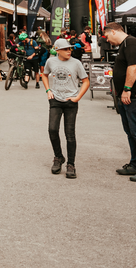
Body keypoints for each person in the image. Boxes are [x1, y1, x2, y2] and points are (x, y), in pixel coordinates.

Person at [103, 22, 136, 182]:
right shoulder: (125, 45)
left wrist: (127, 89)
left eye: (106, 36)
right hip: (129, 96)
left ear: (113, 32)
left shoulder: (131, 43)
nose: (107, 41)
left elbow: (133, 67)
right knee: (131, 131)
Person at [41, 38, 89, 178]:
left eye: (70, 49)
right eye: (66, 49)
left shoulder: (76, 63)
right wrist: (48, 90)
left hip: (71, 102)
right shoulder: (51, 61)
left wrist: (78, 97)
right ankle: (58, 157)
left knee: (70, 134)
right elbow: (44, 75)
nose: (69, 51)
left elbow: (85, 81)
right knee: (52, 129)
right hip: (55, 100)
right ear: (58, 50)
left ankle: (71, 164)